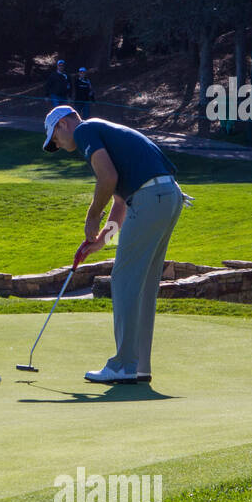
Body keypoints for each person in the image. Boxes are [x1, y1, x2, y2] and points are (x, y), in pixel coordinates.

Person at [42, 105, 192, 385]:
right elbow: (121, 200)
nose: (58, 145)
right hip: (168, 196)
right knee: (144, 284)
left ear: (63, 124)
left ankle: (124, 364)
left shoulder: (86, 130)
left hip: (152, 197)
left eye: (55, 138)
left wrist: (91, 216)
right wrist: (102, 240)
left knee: (123, 279)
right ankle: (139, 366)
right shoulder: (103, 131)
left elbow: (108, 179)